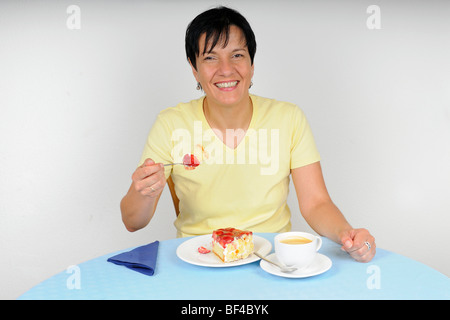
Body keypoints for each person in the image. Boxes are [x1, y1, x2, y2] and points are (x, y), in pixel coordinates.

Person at [120, 6, 375, 262]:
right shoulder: (170, 124)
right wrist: (144, 192)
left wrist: (347, 234)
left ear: (252, 64)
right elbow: (133, 222)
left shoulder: (288, 118)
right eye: (210, 58)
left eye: (237, 55)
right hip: (200, 262)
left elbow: (316, 203)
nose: (226, 69)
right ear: (194, 68)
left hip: (272, 262)